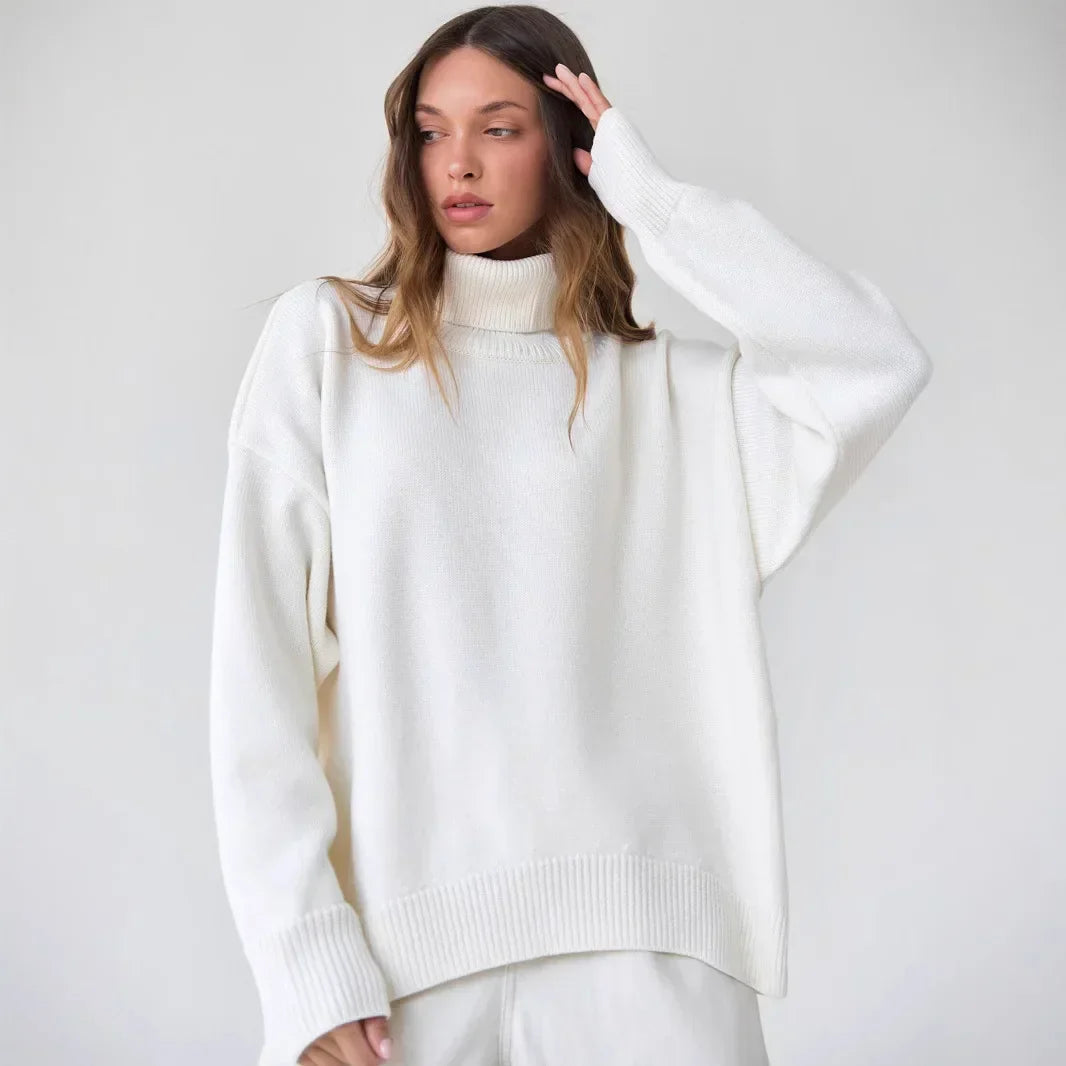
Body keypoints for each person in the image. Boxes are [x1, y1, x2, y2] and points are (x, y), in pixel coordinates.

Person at [208, 6, 933, 1066]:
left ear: (567, 148)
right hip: (405, 971)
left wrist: (652, 200)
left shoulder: (679, 399)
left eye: (499, 128)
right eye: (430, 131)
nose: (456, 162)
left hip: (654, 961)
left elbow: (872, 361)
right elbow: (258, 674)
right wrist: (303, 964)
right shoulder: (334, 347)